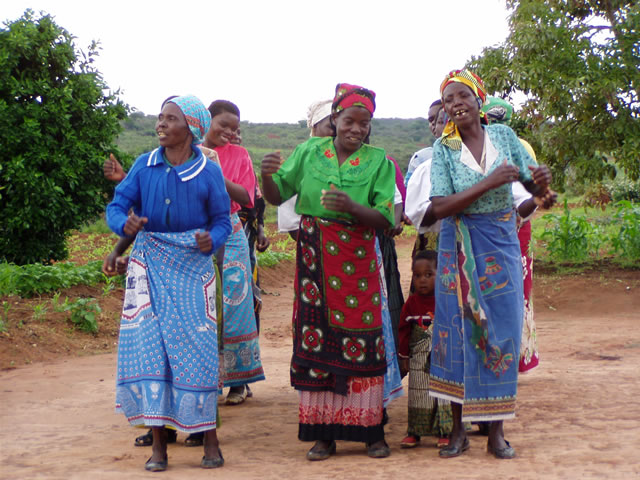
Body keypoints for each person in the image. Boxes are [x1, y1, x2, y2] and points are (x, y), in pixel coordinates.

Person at [261, 83, 396, 460]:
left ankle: (372, 432)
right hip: (314, 259)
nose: (356, 129)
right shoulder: (308, 152)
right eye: (349, 120)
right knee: (315, 338)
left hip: (357, 261)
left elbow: (387, 218)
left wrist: (352, 207)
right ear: (334, 119)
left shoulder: (379, 162)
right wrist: (267, 176)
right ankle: (323, 434)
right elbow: (276, 195)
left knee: (366, 337)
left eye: (364, 123)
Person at [427, 69, 556, 460]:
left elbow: (530, 187)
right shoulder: (443, 150)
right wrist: (488, 182)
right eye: (449, 100)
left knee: (500, 330)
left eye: (462, 95)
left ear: (479, 100)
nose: (456, 104)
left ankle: (496, 431)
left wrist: (541, 183)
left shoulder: (503, 137)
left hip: (500, 243)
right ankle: (456, 430)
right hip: (458, 245)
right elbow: (439, 206)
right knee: (455, 331)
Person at [106, 95, 231, 471]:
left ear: (191, 129)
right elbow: (117, 206)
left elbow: (222, 219)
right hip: (149, 262)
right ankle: (158, 446)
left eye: (170, 119)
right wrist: (122, 226)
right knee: (151, 351)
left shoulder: (207, 171)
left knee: (198, 352)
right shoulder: (144, 165)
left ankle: (210, 438)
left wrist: (214, 239)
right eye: (160, 118)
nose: (160, 124)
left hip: (193, 266)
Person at [202, 100, 266, 406]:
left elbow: (246, 197)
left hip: (229, 232)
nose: (228, 132)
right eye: (223, 125)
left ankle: (238, 383)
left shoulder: (239, 155)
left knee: (235, 309)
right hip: (196, 236)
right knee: (203, 309)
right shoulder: (187, 152)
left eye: (234, 128)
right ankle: (205, 381)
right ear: (206, 120)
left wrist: (214, 170)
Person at [482, 96, 539, 372]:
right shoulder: (521, 144)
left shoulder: (514, 146)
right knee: (515, 290)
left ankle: (509, 355)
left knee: (509, 291)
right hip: (516, 223)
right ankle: (516, 356)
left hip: (511, 222)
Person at [398, 250, 451, 448]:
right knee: (419, 393)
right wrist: (404, 356)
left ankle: (446, 431)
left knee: (444, 393)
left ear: (441, 274)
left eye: (429, 275)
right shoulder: (411, 304)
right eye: (417, 275)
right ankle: (415, 432)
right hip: (418, 359)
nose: (422, 280)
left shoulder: (447, 300)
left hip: (445, 356)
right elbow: (403, 330)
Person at [277, 99, 334, 240]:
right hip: (315, 246)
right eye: (331, 127)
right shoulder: (301, 161)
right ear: (315, 127)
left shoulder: (356, 160)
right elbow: (291, 218)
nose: (336, 133)